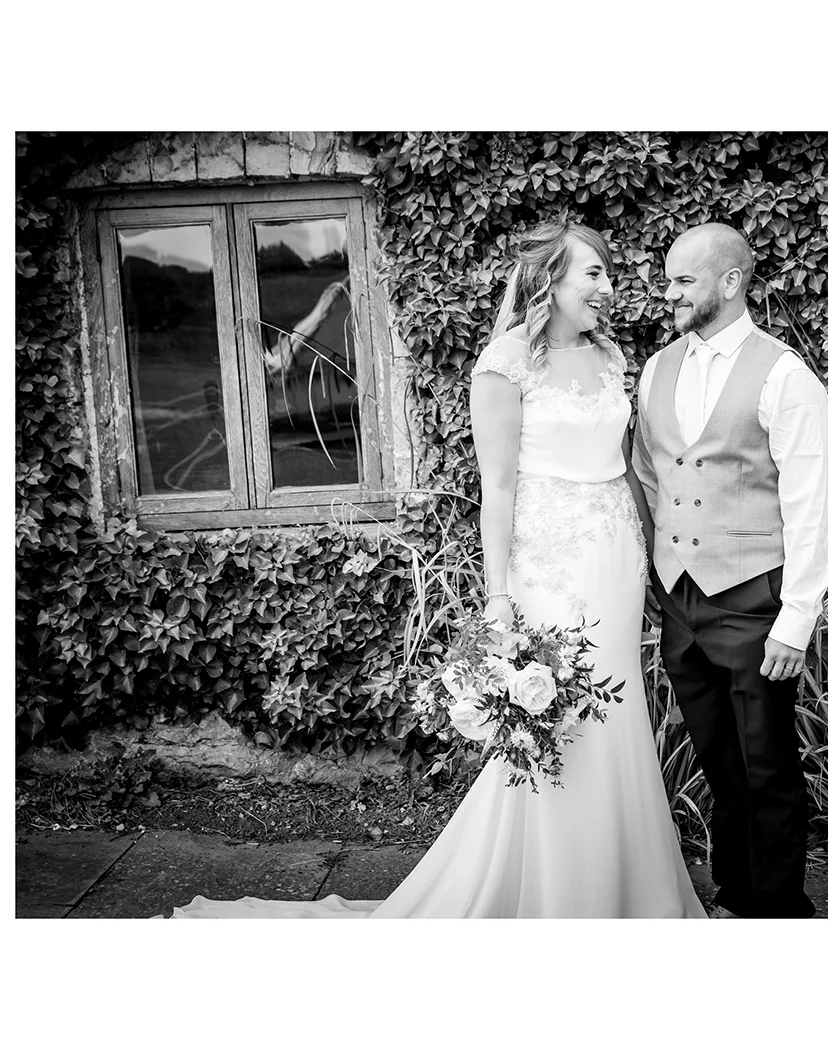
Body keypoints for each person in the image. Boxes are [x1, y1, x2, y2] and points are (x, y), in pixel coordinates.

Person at [169, 220, 706, 918]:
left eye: (607, 273)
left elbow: (624, 467)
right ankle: (557, 894)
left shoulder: (610, 356)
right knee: (563, 720)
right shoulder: (505, 364)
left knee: (617, 712)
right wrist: (498, 598)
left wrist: (654, 552)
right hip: (551, 564)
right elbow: (499, 489)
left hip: (617, 559)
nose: (608, 286)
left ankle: (627, 888)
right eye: (593, 273)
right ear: (550, 281)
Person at [631, 223, 828, 919]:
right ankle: (734, 895)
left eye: (683, 280)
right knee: (720, 762)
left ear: (730, 281)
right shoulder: (656, 370)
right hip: (681, 602)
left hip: (754, 599)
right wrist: (660, 572)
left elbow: (809, 503)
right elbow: (652, 476)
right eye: (667, 279)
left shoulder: (784, 375)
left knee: (767, 765)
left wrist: (796, 618)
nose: (668, 293)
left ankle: (778, 911)